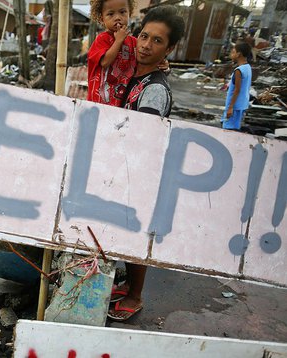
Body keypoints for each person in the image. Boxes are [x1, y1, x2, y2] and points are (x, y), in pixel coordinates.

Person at [107, 5, 185, 322]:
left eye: (157, 41)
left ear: (169, 48)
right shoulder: (135, 73)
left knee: (135, 233)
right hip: (121, 164)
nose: (145, 45)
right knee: (121, 229)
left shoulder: (154, 89)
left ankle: (136, 295)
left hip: (139, 169)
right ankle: (127, 285)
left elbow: (145, 139)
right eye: (143, 36)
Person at [87, 0, 137, 106]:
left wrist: (162, 64)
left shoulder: (133, 42)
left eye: (122, 12)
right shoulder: (101, 40)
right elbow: (105, 62)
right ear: (102, 18)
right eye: (110, 14)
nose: (118, 17)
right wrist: (118, 41)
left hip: (122, 101)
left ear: (130, 13)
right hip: (99, 102)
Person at [221, 43, 252, 131]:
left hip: (234, 105)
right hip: (241, 104)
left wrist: (230, 107)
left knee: (228, 129)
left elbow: (237, 90)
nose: (231, 54)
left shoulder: (238, 70)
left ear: (239, 54)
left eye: (233, 52)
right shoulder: (248, 67)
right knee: (235, 128)